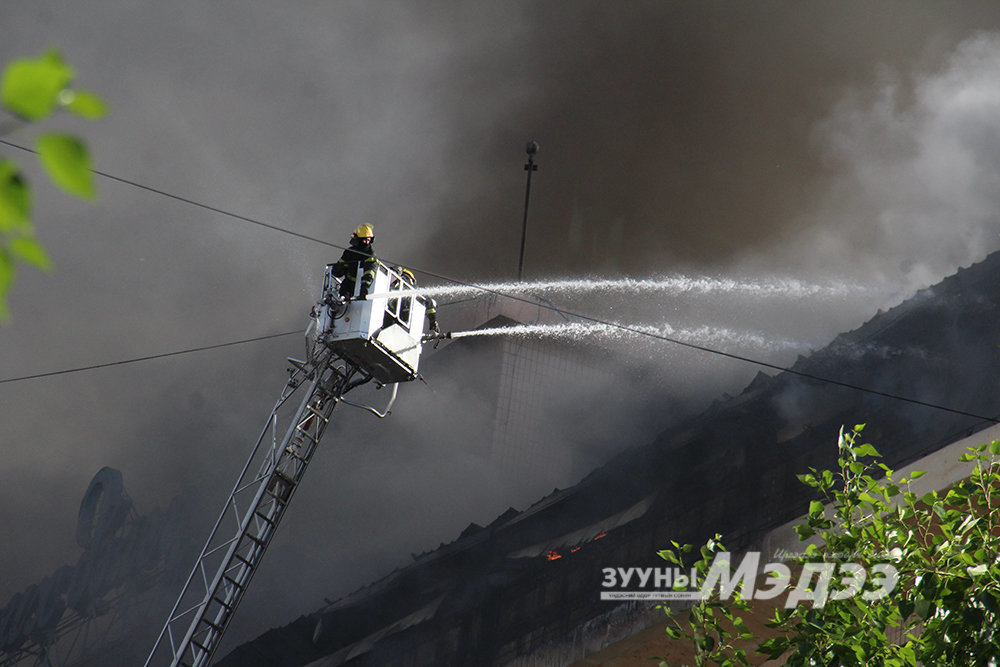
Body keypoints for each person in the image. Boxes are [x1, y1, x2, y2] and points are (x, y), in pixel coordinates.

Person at [331, 224, 377, 299]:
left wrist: (364, 288)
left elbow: (370, 272)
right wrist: (338, 269)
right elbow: (340, 266)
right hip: (347, 285)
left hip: (360, 286)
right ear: (358, 240)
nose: (366, 242)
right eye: (364, 240)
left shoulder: (370, 255)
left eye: (368, 240)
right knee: (342, 300)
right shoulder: (350, 252)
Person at [398, 268, 440, 334]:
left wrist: (433, 321)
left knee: (430, 301)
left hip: (403, 314)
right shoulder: (393, 284)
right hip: (393, 312)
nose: (404, 280)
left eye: (406, 278)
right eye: (404, 277)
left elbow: (430, 302)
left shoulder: (415, 295)